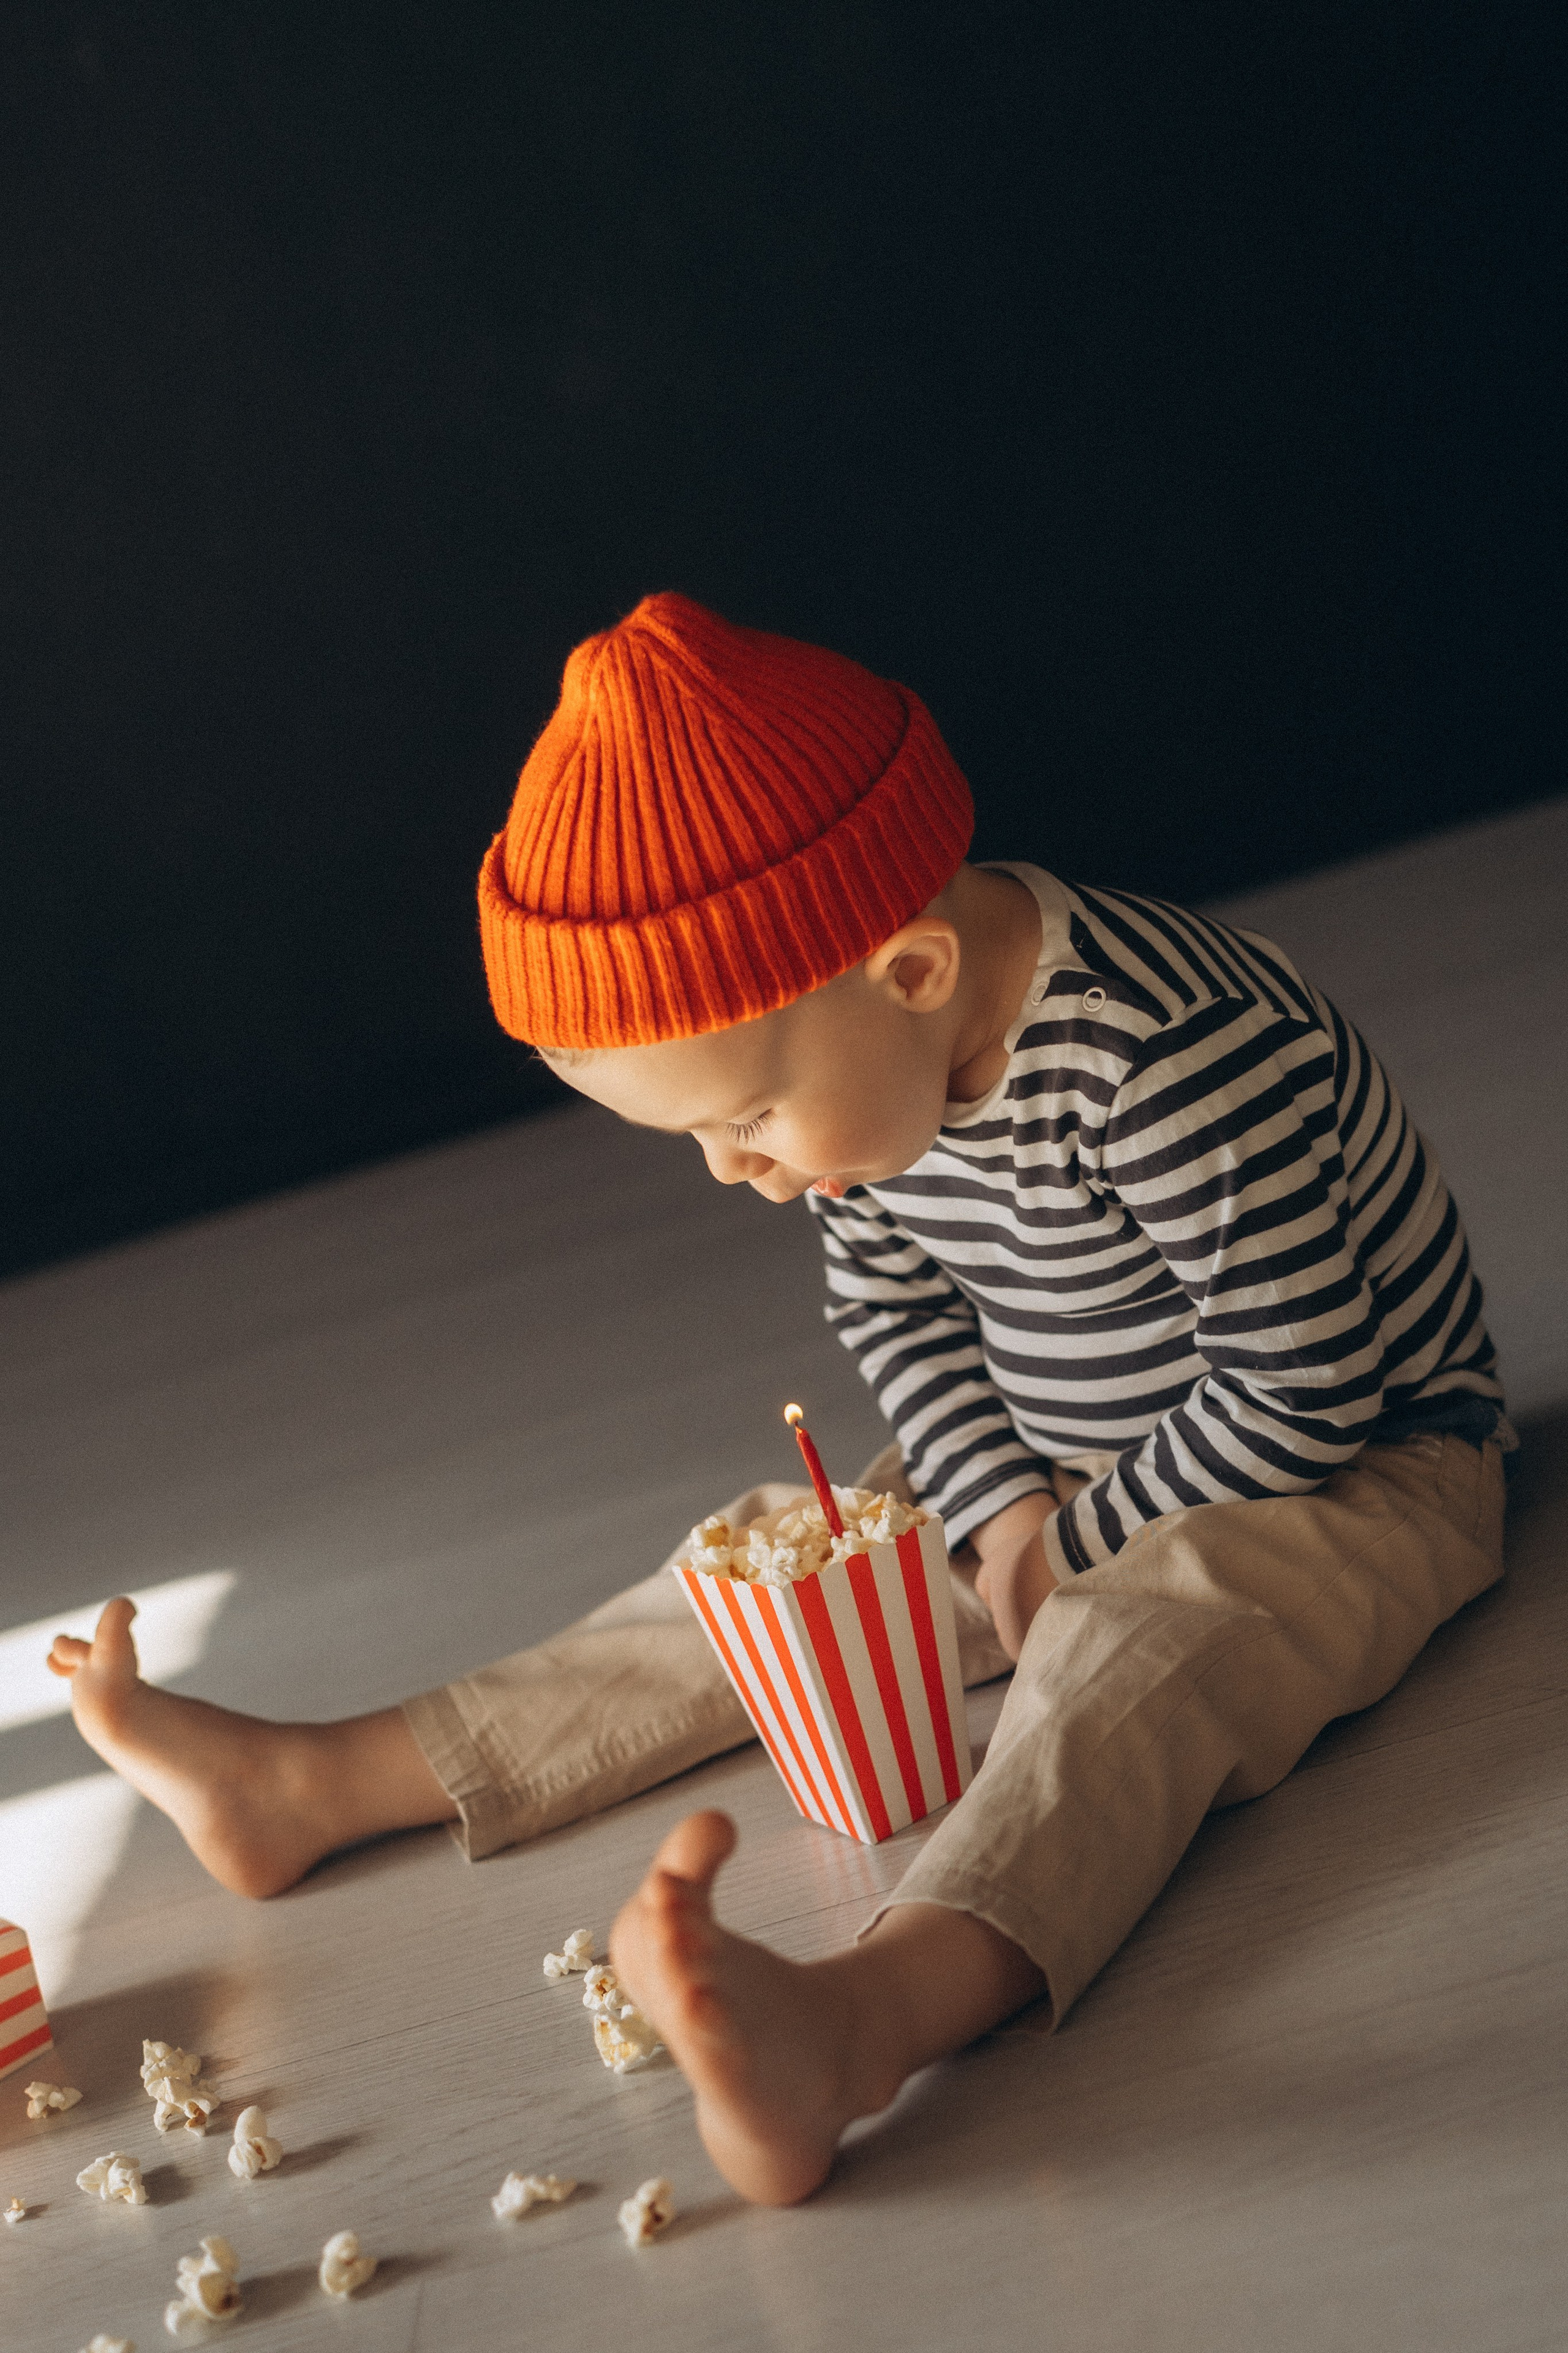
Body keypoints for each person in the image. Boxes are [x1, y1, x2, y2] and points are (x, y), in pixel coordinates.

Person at [49, 592, 1515, 2208]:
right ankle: (325, 1781)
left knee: (1133, 1653)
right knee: (779, 1574)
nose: (732, 1171)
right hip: (1069, 1463)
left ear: (912, 970)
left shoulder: (1167, 1060)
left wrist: (1069, 1547)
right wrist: (1001, 1511)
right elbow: (899, 1305)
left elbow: (1303, 1389)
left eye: (743, 1118)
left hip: (1362, 1465)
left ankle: (873, 2011)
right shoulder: (871, 1084)